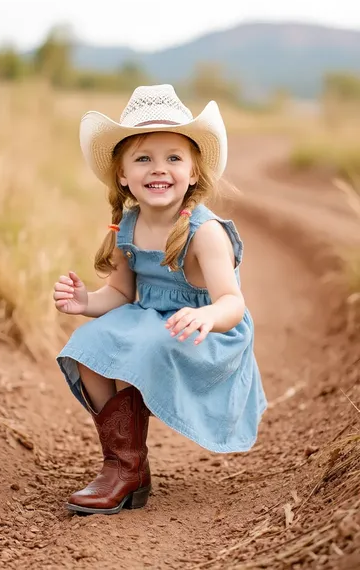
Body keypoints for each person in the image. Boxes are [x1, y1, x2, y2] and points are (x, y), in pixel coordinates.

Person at [54, 84, 267, 516]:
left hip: (201, 331)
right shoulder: (127, 226)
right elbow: (120, 293)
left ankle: (125, 471)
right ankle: (125, 464)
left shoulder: (205, 233)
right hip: (147, 318)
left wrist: (207, 314)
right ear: (122, 174)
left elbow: (232, 303)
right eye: (143, 158)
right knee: (87, 348)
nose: (159, 169)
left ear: (193, 172)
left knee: (137, 347)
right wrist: (86, 302)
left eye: (173, 157)